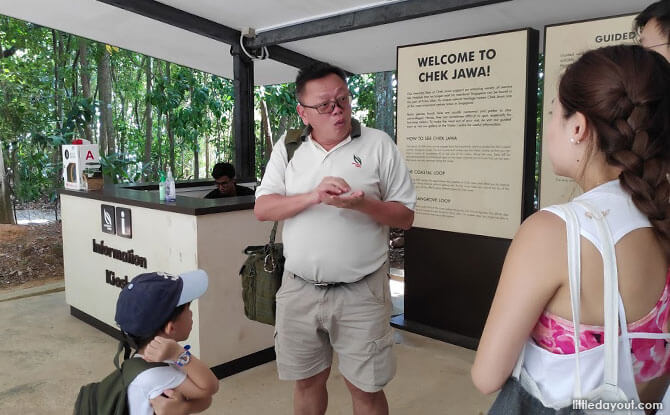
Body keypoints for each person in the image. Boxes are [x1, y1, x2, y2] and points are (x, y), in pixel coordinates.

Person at [472, 45, 670, 410]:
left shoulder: (553, 232)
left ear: (578, 127)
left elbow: (487, 376)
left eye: (553, 114)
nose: (549, 127)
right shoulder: (660, 219)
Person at [254, 62, 416, 415]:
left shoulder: (378, 145)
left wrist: (363, 205)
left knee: (366, 388)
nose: (338, 111)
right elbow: (264, 208)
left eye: (343, 99)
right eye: (324, 105)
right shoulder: (289, 147)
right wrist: (313, 196)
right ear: (303, 112)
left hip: (361, 291)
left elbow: (405, 215)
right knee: (307, 381)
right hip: (298, 288)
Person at [115, 270, 219, 415]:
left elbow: (205, 398)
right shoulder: (160, 374)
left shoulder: (141, 360)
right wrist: (179, 354)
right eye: (188, 308)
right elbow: (210, 387)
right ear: (171, 328)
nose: (191, 313)